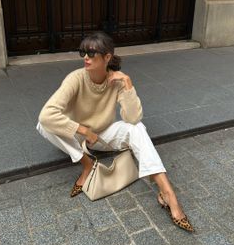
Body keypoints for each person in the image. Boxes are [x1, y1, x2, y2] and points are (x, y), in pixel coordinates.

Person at [37, 32, 194, 232]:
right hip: (78, 137)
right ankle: (86, 163)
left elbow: (133, 118)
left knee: (137, 128)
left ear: (107, 57)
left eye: (92, 53)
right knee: (43, 125)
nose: (86, 57)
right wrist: (83, 130)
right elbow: (46, 114)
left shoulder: (118, 81)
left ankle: (167, 193)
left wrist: (128, 85)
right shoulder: (75, 78)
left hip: (103, 135)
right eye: (83, 52)